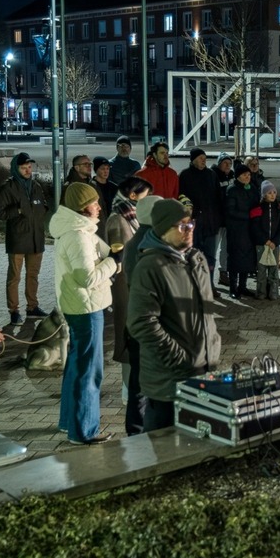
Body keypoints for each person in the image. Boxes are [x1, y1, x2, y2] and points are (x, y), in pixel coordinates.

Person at [127, 198, 222, 431]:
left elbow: (203, 313)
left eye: (190, 224)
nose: (188, 231)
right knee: (164, 453)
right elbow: (141, 323)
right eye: (181, 226)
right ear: (162, 230)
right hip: (169, 383)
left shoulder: (196, 259)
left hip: (203, 373)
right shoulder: (151, 266)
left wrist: (213, 344)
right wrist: (179, 358)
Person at [50, 182, 119, 445]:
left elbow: (101, 253)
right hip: (86, 306)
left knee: (77, 365)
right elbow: (87, 277)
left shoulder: (79, 230)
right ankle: (85, 431)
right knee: (89, 370)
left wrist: (109, 256)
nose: (99, 207)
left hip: (78, 305)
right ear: (82, 207)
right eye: (94, 202)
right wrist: (115, 262)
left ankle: (69, 421)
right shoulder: (78, 235)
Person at [107, 181, 155, 435]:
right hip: (125, 287)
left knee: (134, 340)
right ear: (133, 195)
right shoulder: (118, 219)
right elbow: (117, 254)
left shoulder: (132, 217)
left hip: (135, 286)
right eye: (146, 195)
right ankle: (129, 391)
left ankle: (133, 392)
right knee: (129, 339)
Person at [0, 152, 51, 326]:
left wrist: (41, 211)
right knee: (14, 277)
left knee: (33, 275)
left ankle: (32, 307)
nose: (27, 170)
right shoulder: (8, 188)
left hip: (36, 238)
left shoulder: (36, 186)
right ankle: (14, 311)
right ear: (15, 169)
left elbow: (44, 205)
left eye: (29, 167)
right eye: (23, 167)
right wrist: (17, 211)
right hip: (18, 239)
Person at [178, 147, 222, 275]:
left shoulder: (211, 175)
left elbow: (218, 198)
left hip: (210, 224)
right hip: (193, 224)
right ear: (193, 160)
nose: (204, 161)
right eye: (201, 158)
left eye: (205, 158)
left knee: (210, 256)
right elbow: (181, 197)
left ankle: (209, 284)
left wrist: (217, 219)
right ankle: (194, 284)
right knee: (192, 255)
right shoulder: (185, 175)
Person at [224, 162, 261, 298]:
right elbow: (230, 211)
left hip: (249, 229)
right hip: (236, 229)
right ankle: (233, 288)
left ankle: (243, 286)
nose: (247, 177)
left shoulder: (252, 188)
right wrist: (249, 216)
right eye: (245, 174)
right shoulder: (232, 190)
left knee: (247, 258)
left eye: (249, 174)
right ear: (238, 176)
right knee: (235, 257)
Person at [250, 180, 280, 299]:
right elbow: (255, 227)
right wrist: (265, 241)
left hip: (274, 245)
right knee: (261, 269)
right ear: (264, 195)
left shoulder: (279, 209)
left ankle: (273, 292)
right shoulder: (257, 209)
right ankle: (261, 292)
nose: (273, 195)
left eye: (274, 192)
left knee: (274, 269)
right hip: (261, 244)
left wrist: (275, 241)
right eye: (269, 193)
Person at [213, 152, 235, 286]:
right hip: (217, 219)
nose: (228, 166)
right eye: (225, 163)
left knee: (226, 248)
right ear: (219, 163)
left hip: (229, 219)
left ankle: (223, 272)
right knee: (213, 247)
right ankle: (207, 274)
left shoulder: (232, 176)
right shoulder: (213, 176)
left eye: (230, 163)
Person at [90, 157, 119, 234]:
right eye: (102, 169)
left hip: (112, 223)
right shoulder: (91, 186)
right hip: (97, 223)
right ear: (96, 170)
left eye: (107, 169)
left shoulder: (114, 187)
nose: (106, 171)